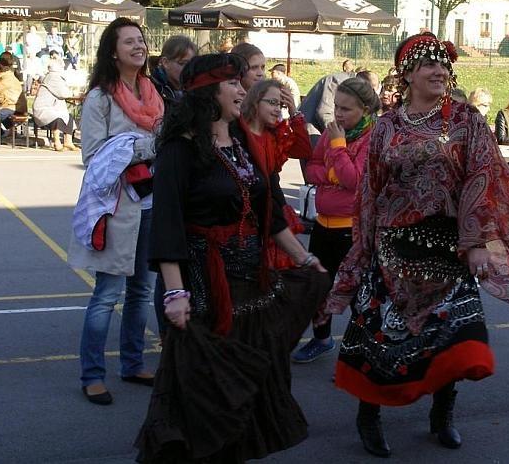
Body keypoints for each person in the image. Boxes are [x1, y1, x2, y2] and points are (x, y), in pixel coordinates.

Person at [322, 32, 509, 458]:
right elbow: (371, 189)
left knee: (452, 338)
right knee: (381, 336)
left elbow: (481, 179)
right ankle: (369, 414)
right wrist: (363, 245)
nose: (440, 70)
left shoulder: (465, 121)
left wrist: (475, 242)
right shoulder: (387, 125)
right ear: (407, 73)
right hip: (393, 248)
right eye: (429, 64)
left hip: (447, 249)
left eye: (444, 64)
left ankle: (443, 413)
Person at [134, 53, 329, 464]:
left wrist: (303, 259)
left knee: (247, 399)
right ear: (209, 91)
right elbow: (167, 225)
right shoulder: (179, 150)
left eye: (241, 83)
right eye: (233, 84)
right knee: (209, 399)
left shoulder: (240, 140)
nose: (243, 90)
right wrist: (174, 294)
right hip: (206, 288)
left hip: (251, 285)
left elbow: (269, 211)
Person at [68, 17, 164, 406]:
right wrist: (142, 147)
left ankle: (132, 363)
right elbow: (92, 156)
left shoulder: (151, 91)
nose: (139, 47)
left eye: (141, 40)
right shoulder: (100, 98)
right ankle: (92, 374)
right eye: (129, 42)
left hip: (150, 202)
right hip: (116, 206)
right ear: (113, 51)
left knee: (141, 290)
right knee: (107, 294)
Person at [291, 77, 380, 364]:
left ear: (365, 109)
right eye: (336, 107)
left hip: (350, 230)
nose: (338, 114)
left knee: (355, 294)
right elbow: (312, 168)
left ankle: (363, 350)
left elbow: (354, 179)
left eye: (346, 109)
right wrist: (333, 175)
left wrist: (339, 147)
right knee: (319, 287)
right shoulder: (331, 133)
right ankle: (322, 339)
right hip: (322, 224)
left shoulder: (371, 137)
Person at [240, 77, 311, 269]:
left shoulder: (275, 135)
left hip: (273, 211)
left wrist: (294, 111)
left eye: (280, 105)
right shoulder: (238, 133)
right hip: (247, 216)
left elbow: (304, 150)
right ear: (255, 102)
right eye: (272, 103)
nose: (277, 109)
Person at [32, 60, 77, 151]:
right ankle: (57, 142)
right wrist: (73, 93)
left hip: (52, 107)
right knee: (57, 118)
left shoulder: (52, 76)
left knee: (69, 117)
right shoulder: (53, 77)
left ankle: (68, 142)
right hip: (43, 109)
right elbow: (63, 93)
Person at [150, 34, 197, 110]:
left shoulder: (195, 90)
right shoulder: (151, 89)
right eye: (182, 63)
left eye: (192, 64)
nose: (189, 69)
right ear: (165, 63)